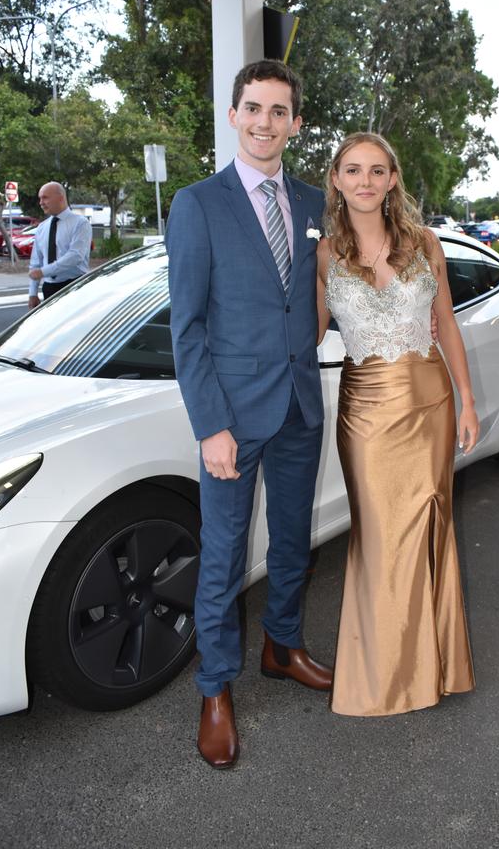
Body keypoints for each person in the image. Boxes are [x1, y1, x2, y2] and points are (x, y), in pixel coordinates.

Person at [165, 59, 331, 770]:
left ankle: (282, 646)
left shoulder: (313, 203)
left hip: (300, 405)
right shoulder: (198, 204)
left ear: (295, 122)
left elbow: (310, 302)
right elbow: (189, 327)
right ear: (233, 115)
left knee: (295, 540)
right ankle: (214, 689)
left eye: (280, 111)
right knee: (224, 559)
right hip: (231, 416)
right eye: (254, 108)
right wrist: (210, 426)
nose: (266, 122)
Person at [316, 132, 478, 717]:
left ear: (391, 180)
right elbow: (306, 336)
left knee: (429, 528)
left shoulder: (424, 242)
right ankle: (385, 674)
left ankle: (432, 665)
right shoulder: (325, 255)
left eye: (376, 171)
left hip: (429, 402)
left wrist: (467, 401)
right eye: (353, 170)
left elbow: (448, 326)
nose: (365, 181)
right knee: (381, 536)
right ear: (336, 179)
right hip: (365, 413)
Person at [28, 182, 92, 310]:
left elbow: (75, 256)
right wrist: (32, 293)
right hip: (49, 288)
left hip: (74, 285)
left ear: (61, 198)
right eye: (40, 198)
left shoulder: (80, 224)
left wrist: (43, 272)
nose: (41, 202)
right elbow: (36, 262)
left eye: (45, 197)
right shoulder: (42, 228)